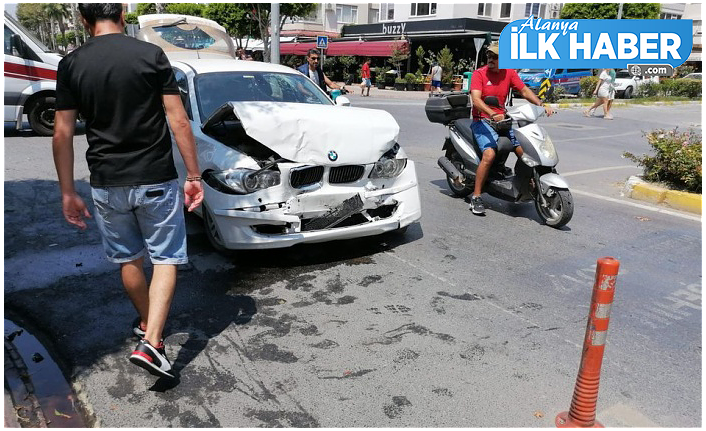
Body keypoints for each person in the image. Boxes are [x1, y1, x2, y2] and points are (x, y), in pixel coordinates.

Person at [52, 3, 203, 379]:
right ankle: (152, 342)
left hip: (106, 181)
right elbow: (178, 119)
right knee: (165, 258)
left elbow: (62, 133)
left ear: (85, 22)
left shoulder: (71, 64)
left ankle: (147, 327)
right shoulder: (150, 54)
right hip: (154, 176)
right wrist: (195, 176)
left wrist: (68, 191)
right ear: (121, 15)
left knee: (129, 260)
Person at [468, 41, 554, 215]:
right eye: (489, 56)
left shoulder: (509, 73)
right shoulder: (479, 74)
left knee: (525, 152)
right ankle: (476, 196)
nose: (491, 59)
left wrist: (541, 104)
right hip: (482, 120)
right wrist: (492, 114)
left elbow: (523, 90)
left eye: (496, 57)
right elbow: (476, 100)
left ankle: (528, 182)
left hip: (503, 120)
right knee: (489, 154)